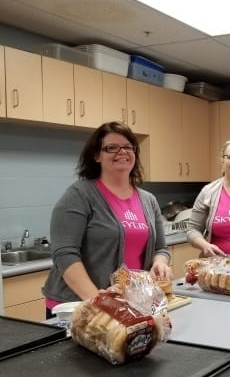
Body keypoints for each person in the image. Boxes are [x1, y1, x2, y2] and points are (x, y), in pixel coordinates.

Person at [42, 122, 172, 318]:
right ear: (97, 155)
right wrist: (97, 300)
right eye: (111, 148)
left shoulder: (148, 200)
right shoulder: (80, 195)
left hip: (129, 304)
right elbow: (64, 253)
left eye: (128, 147)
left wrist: (160, 262)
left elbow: (160, 248)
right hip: (79, 306)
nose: (122, 152)